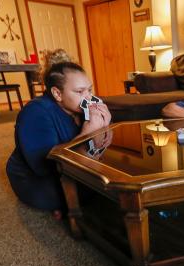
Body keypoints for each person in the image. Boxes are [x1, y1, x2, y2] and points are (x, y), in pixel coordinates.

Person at [6, 62, 111, 219]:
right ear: (57, 93)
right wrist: (88, 132)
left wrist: (103, 127)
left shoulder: (79, 109)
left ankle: (68, 202)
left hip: (71, 164)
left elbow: (96, 152)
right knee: (94, 190)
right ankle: (61, 203)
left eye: (89, 89)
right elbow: (45, 166)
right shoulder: (35, 113)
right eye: (80, 91)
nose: (89, 97)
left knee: (107, 178)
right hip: (34, 178)